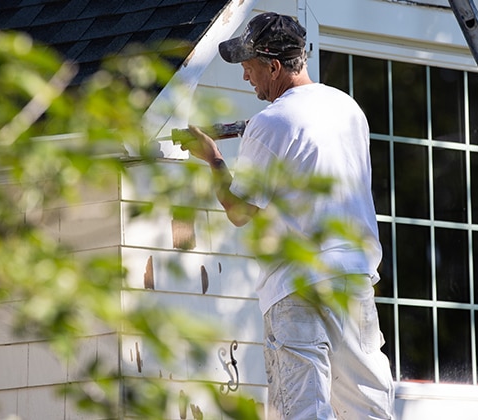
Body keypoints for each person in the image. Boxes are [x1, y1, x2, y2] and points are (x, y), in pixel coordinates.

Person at [178, 12, 395, 420]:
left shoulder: (271, 122)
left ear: (274, 66)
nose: (247, 77)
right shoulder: (348, 109)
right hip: (354, 282)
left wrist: (213, 157)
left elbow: (240, 210)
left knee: (303, 411)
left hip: (297, 289)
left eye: (250, 67)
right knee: (368, 409)